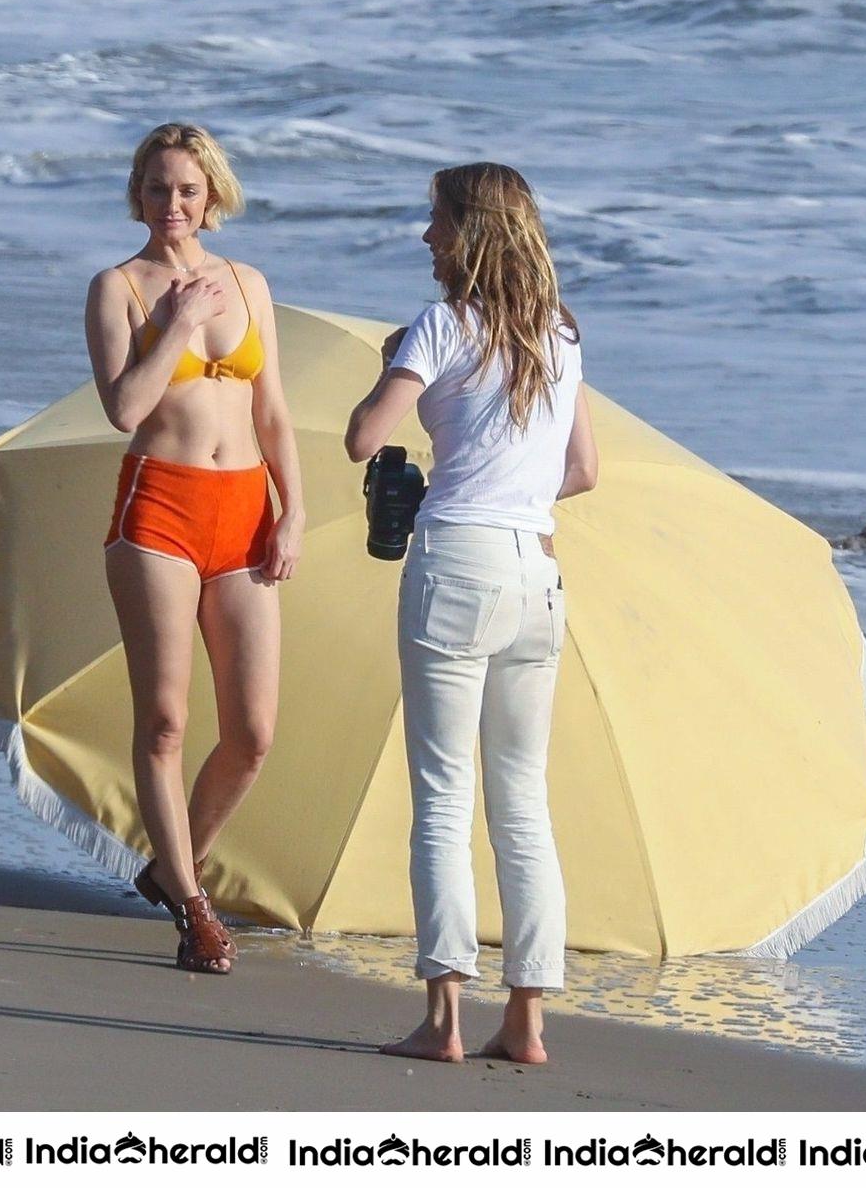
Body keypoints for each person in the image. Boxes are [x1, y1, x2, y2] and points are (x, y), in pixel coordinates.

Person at [344, 162, 599, 1064]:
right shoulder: (559, 337)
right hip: (539, 571)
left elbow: (364, 436)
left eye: (437, 223)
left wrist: (395, 372)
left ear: (472, 232)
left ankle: (444, 1019)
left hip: (458, 561)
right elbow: (583, 472)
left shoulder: (444, 324)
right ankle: (526, 1022)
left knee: (445, 795)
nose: (426, 238)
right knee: (522, 800)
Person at [83, 123, 305, 974]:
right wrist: (174, 325)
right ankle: (196, 907)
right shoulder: (118, 289)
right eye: (155, 188)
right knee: (167, 720)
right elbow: (124, 409)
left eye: (186, 189)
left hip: (244, 508)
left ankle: (172, 867)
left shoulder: (249, 283)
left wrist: (293, 510)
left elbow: (274, 411)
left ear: (212, 195)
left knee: (252, 732)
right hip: (159, 512)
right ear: (135, 194)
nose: (171, 205)